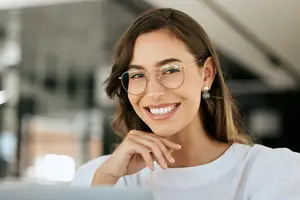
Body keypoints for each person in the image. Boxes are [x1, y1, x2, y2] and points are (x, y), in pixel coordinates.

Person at [72, 8, 300, 199]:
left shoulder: (274, 172)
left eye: (170, 70)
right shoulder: (97, 178)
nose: (154, 92)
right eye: (137, 75)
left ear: (207, 74)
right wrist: (105, 183)